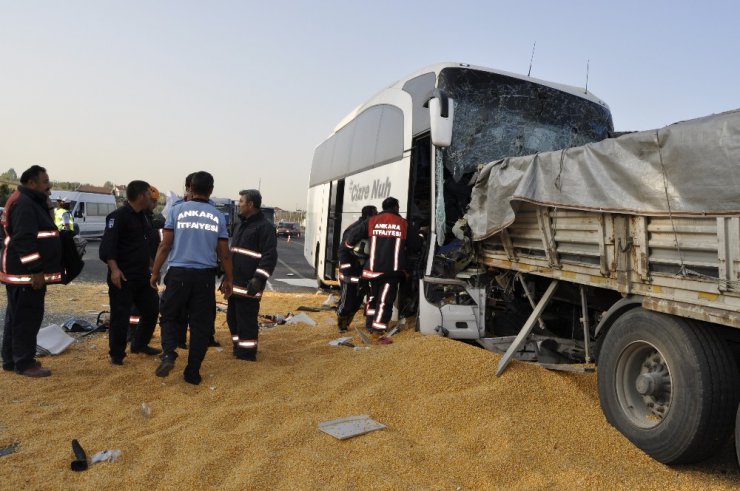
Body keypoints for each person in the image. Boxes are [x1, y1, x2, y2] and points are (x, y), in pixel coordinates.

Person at [151, 171, 233, 384]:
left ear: (190, 188)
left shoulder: (177, 211)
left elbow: (165, 245)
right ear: (211, 190)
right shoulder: (217, 216)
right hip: (204, 278)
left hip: (178, 274)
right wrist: (229, 280)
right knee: (201, 326)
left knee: (168, 316)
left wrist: (155, 272)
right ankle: (192, 372)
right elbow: (224, 253)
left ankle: (169, 353)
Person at [1, 165, 62, 377]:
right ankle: (25, 363)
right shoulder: (25, 203)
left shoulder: (27, 201)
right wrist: (36, 270)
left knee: (17, 317)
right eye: (45, 182)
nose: (49, 185)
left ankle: (11, 359)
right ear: (31, 183)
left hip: (20, 272)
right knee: (27, 318)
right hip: (25, 273)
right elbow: (24, 240)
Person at [99, 180, 162, 365]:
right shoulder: (117, 217)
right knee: (120, 315)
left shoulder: (142, 217)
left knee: (152, 309)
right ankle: (117, 355)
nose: (151, 197)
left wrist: (152, 266)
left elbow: (142, 245)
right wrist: (115, 270)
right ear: (141, 195)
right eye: (149, 194)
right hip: (123, 276)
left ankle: (139, 344)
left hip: (142, 275)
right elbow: (107, 247)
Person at [346, 196, 423, 334]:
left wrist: (351, 248)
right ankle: (378, 329)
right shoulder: (402, 223)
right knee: (384, 301)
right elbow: (416, 245)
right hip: (391, 272)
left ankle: (370, 325)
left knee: (372, 299)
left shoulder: (372, 221)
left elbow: (351, 237)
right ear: (396, 207)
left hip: (371, 271)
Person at [227, 189, 277, 361]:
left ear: (250, 204)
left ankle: (247, 353)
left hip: (249, 284)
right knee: (232, 318)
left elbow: (269, 257)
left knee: (246, 320)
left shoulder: (265, 228)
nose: (238, 204)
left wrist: (259, 278)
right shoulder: (241, 224)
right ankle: (238, 347)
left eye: (241, 201)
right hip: (235, 284)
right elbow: (235, 251)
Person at [336, 205, 377, 332]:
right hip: (350, 271)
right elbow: (343, 250)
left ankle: (347, 321)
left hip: (360, 271)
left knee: (357, 300)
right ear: (369, 215)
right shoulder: (356, 229)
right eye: (375, 214)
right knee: (347, 301)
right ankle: (342, 320)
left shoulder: (367, 227)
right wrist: (347, 269)